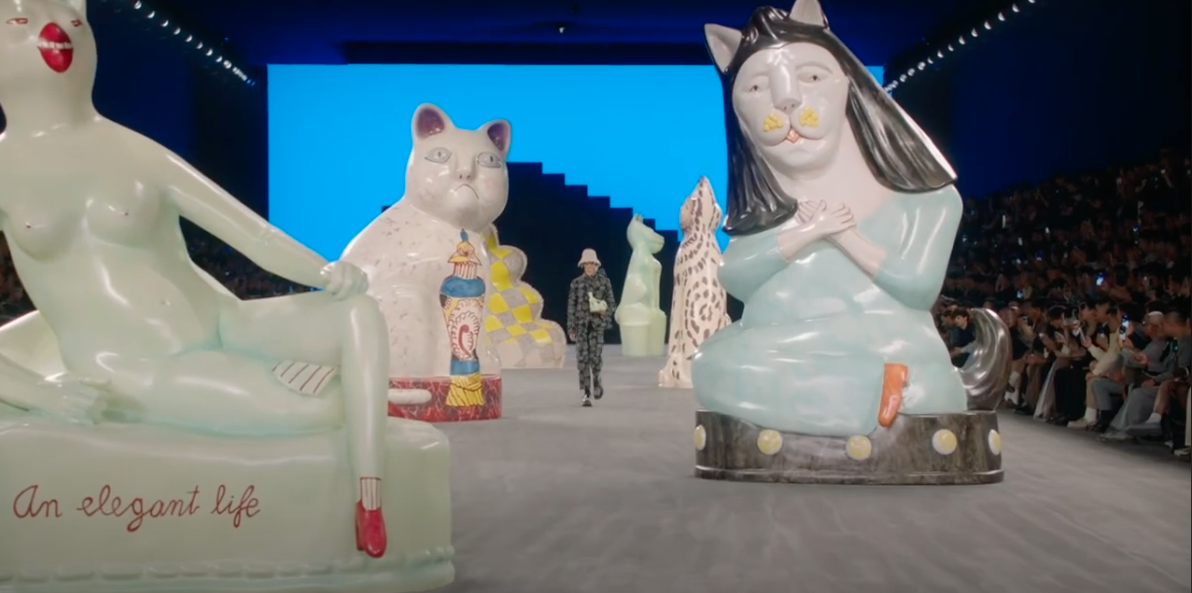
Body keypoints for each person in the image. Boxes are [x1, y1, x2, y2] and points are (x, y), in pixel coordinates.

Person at [0, 0, 389, 558]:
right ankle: (339, 401)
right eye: (20, 21)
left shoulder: (132, 149)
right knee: (320, 408)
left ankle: (368, 498)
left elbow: (254, 236)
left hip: (224, 321)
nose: (54, 30)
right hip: (134, 364)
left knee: (358, 312)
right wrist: (40, 393)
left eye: (74, 20)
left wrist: (325, 271)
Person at [566, 249, 616, 407]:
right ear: (583, 265)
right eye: (586, 264)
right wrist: (571, 328)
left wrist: (603, 312)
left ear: (596, 265)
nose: (589, 267)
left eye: (591, 264)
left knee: (595, 358)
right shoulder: (576, 284)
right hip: (581, 326)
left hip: (596, 327)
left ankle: (597, 380)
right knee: (582, 360)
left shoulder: (604, 282)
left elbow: (612, 304)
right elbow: (571, 307)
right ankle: (586, 393)